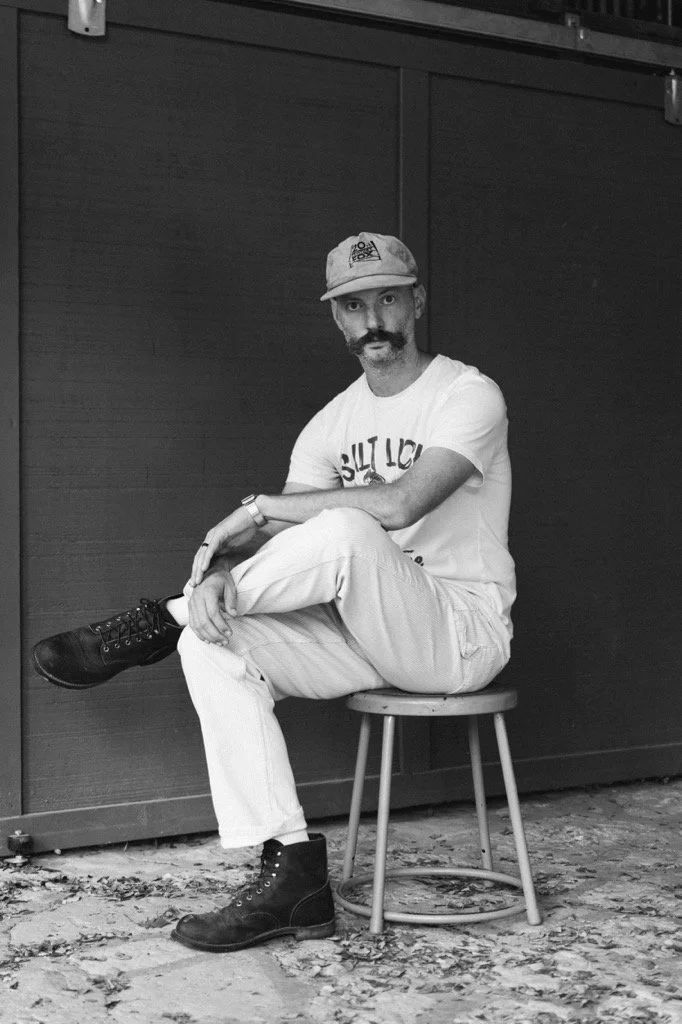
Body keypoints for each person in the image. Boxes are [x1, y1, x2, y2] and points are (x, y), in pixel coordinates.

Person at [32, 231, 516, 953]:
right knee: (211, 641)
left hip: (459, 633)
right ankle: (292, 875)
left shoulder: (467, 393)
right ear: (338, 320)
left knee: (353, 522)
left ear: (417, 301)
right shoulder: (332, 422)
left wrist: (255, 509)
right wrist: (223, 577)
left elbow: (400, 506)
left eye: (388, 297)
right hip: (366, 634)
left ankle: (156, 619)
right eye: (354, 305)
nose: (373, 318)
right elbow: (298, 543)